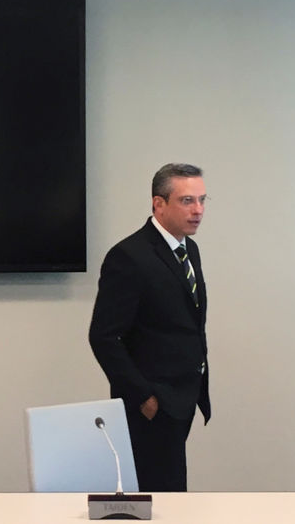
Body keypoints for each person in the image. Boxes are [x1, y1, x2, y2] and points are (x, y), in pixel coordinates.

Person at [88, 163, 211, 492]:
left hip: (183, 397)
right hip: (151, 405)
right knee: (157, 496)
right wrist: (145, 398)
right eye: (187, 201)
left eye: (202, 200)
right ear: (159, 204)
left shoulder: (188, 249)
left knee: (172, 492)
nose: (198, 210)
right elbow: (104, 336)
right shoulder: (129, 256)